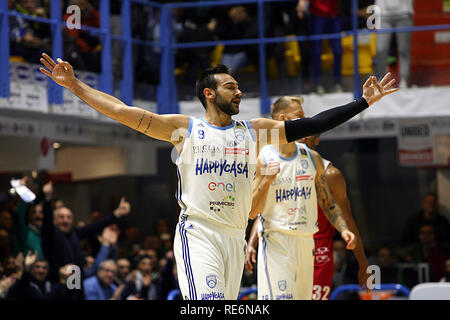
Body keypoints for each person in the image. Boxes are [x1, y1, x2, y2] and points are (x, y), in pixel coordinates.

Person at [39, 52, 397, 300]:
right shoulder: (184, 129)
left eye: (239, 86)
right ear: (209, 94)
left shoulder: (255, 131)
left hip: (234, 237)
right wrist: (75, 87)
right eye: (230, 86)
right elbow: (122, 110)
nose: (238, 90)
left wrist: (363, 102)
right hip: (200, 233)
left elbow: (313, 124)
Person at [244, 96, 356, 300]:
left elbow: (328, 203)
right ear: (284, 119)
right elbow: (252, 211)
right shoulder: (263, 157)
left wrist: (344, 229)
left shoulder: (313, 158)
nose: (307, 122)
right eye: (300, 116)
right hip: (277, 241)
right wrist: (266, 181)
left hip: (306, 242)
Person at [300, 134, 369, 299]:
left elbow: (348, 219)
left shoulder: (330, 174)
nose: (303, 135)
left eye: (309, 132)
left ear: (317, 140)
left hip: (319, 249)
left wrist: (363, 263)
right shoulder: (278, 165)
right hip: (285, 244)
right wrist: (252, 243)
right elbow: (263, 215)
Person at [40, 181, 130, 286]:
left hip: (76, 283)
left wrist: (116, 214)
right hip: (59, 283)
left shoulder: (74, 233)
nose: (65, 220)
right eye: (61, 217)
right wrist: (47, 200)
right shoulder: (51, 234)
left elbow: (95, 226)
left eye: (69, 217)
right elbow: (46, 222)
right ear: (54, 220)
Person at [296, 0, 343, 94]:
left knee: (338, 51)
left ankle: (337, 83)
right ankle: (317, 84)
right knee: (316, 52)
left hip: (333, 15)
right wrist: (302, 3)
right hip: (317, 16)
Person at [375, 0, 414, 89]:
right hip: (382, 13)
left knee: (403, 49)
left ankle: (404, 79)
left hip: (404, 12)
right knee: (381, 49)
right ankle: (381, 79)